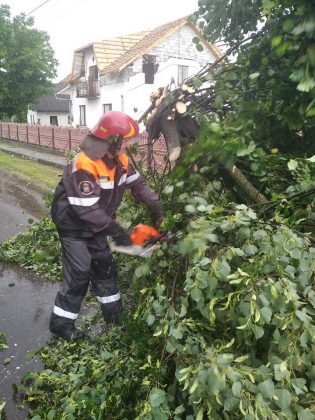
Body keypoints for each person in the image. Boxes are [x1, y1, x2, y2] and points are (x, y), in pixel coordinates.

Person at [49, 111, 163, 341]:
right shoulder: (85, 163)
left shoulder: (120, 159)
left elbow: (138, 185)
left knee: (105, 267)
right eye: (128, 141)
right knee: (80, 272)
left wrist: (156, 207)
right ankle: (61, 325)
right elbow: (87, 211)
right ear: (113, 140)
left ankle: (115, 317)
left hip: (97, 225)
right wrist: (120, 233)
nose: (130, 145)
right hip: (73, 226)